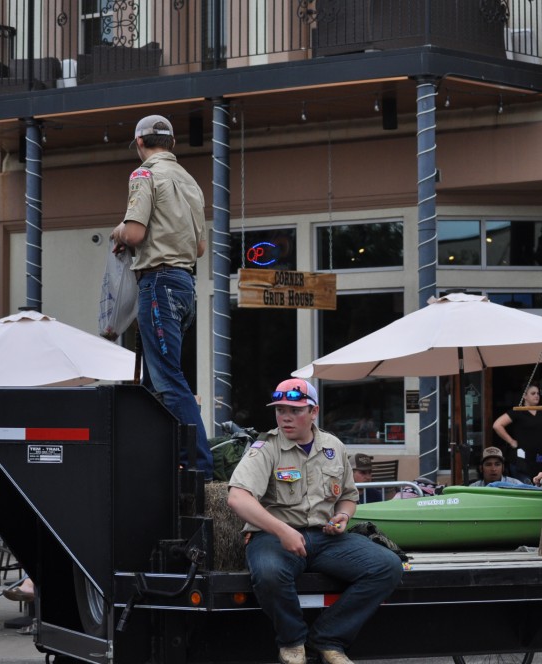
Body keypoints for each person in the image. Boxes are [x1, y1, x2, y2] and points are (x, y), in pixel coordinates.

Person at [227, 379, 403, 664]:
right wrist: (281, 530)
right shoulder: (266, 447)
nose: (285, 416)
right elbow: (237, 498)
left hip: (325, 537)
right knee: (270, 572)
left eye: (294, 410)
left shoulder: (333, 446)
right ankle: (293, 642)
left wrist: (343, 516)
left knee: (387, 566)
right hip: (273, 537)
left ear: (313, 412)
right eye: (280, 409)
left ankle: (328, 639)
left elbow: (348, 497)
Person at [110, 114, 212, 475]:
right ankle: (168, 460)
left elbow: (135, 234)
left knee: (167, 379)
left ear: (140, 143)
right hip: (184, 284)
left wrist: (118, 232)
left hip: (159, 284)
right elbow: (200, 247)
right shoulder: (190, 182)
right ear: (172, 143)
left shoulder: (144, 174)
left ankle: (198, 465)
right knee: (155, 383)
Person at [492, 383, 542, 481]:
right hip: (522, 457)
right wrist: (511, 441)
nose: (536, 396)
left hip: (540, 457)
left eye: (538, 393)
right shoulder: (517, 411)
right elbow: (497, 425)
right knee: (524, 485)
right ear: (525, 396)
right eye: (533, 393)